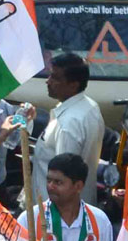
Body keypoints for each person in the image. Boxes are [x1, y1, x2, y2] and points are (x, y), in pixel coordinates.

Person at [20, 152, 113, 241]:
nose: (50, 186)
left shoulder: (99, 221)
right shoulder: (31, 218)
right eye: (48, 180)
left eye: (58, 182)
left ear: (78, 186)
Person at [31, 53, 105, 206]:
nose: (48, 81)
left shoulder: (68, 125)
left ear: (73, 85)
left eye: (55, 78)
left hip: (57, 213)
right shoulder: (89, 107)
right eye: (50, 75)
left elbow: (63, 182)